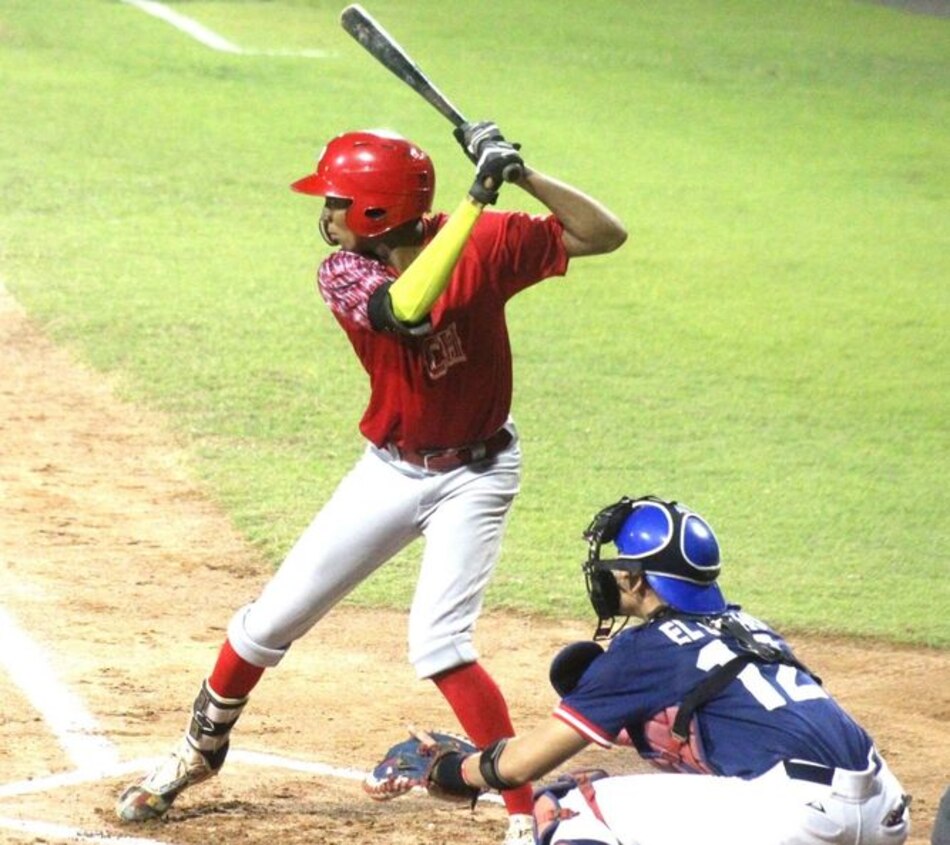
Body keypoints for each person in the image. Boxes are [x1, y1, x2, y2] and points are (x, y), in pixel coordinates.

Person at [114, 122, 627, 845]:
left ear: (375, 213)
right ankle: (197, 752)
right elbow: (404, 309)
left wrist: (520, 176)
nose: (324, 215)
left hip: (477, 475)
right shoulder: (345, 274)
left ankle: (521, 818)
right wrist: (477, 200)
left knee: (440, 641)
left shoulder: (485, 239)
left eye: (335, 201)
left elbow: (605, 235)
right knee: (268, 622)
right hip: (391, 469)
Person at [398, 495, 912, 845]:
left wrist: (450, 769)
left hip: (797, 819)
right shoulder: (748, 625)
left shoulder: (645, 648)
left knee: (569, 808)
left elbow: (519, 768)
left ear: (637, 580)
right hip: (885, 810)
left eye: (620, 565)